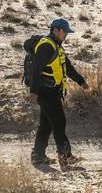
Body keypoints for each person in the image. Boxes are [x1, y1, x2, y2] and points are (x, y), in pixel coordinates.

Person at [29, 17, 89, 171]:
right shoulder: (46, 46)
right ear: (55, 30)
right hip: (45, 91)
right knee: (59, 122)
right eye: (64, 32)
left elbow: (67, 67)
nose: (66, 35)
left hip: (52, 91)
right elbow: (36, 70)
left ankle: (38, 156)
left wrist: (81, 81)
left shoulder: (57, 46)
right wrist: (34, 92)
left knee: (47, 124)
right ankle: (65, 157)